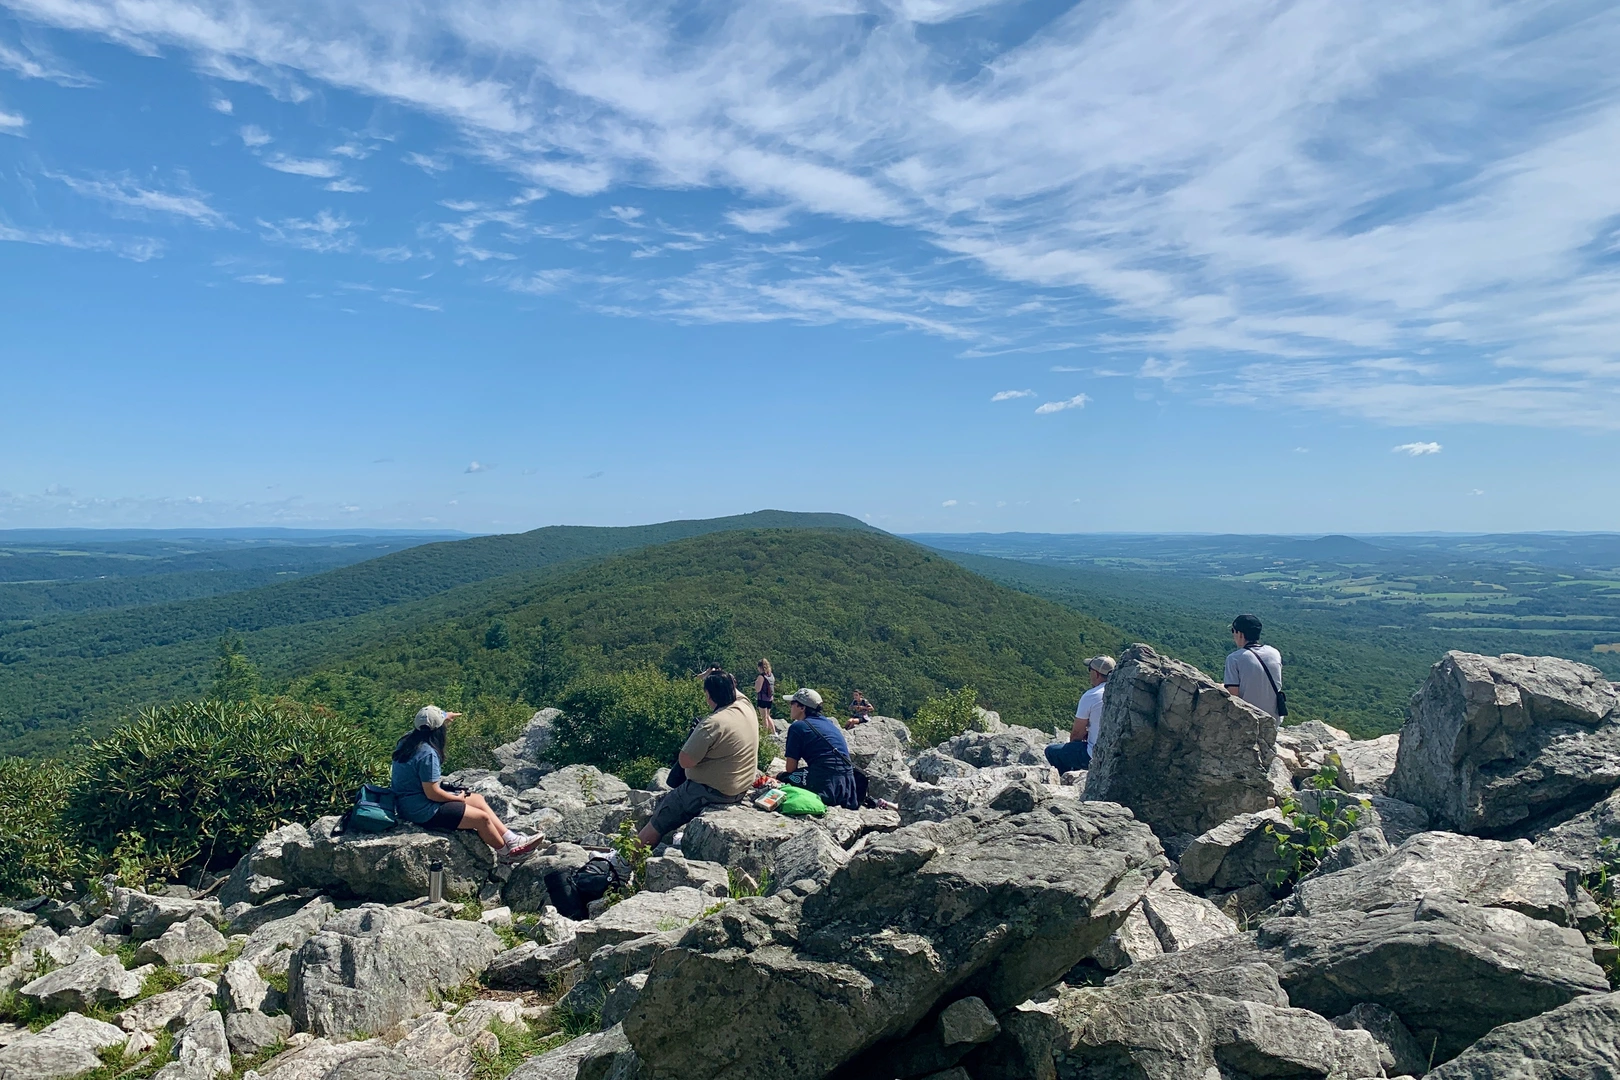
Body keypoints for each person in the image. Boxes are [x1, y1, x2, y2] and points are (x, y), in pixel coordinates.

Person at [391, 706, 543, 861]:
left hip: (407, 803)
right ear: (439, 729)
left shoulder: (407, 741)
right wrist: (456, 798)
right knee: (481, 819)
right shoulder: (428, 754)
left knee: (477, 799)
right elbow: (432, 793)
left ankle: (512, 839)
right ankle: (507, 854)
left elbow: (429, 723)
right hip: (421, 810)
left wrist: (446, 716)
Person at [639, 669, 760, 846]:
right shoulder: (745, 705)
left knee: (663, 813)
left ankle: (626, 857)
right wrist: (717, 675)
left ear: (709, 696)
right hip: (740, 788)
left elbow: (685, 761)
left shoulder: (712, 724)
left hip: (713, 791)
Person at [778, 688, 859, 810]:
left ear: (802, 707)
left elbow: (790, 768)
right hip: (848, 787)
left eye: (792, 703)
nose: (790, 706)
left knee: (783, 778)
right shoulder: (829, 723)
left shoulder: (797, 727)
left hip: (825, 785)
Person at [1045, 655, 1114, 773]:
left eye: (1090, 670)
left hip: (1094, 755)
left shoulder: (1091, 695)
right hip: (1117, 755)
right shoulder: (1120, 692)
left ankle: (1068, 778)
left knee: (1052, 751)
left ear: (1096, 674)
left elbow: (1077, 734)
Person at [1224, 613, 1283, 718]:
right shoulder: (1274, 653)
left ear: (1240, 634)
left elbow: (1233, 696)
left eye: (1233, 631)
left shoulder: (1234, 658)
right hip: (1274, 718)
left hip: (1249, 718)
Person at [754, 659, 776, 730]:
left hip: (762, 699)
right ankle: (773, 732)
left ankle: (766, 732)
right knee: (768, 716)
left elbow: (758, 689)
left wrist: (756, 683)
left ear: (760, 667)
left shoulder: (761, 677)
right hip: (770, 699)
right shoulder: (771, 675)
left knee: (764, 717)